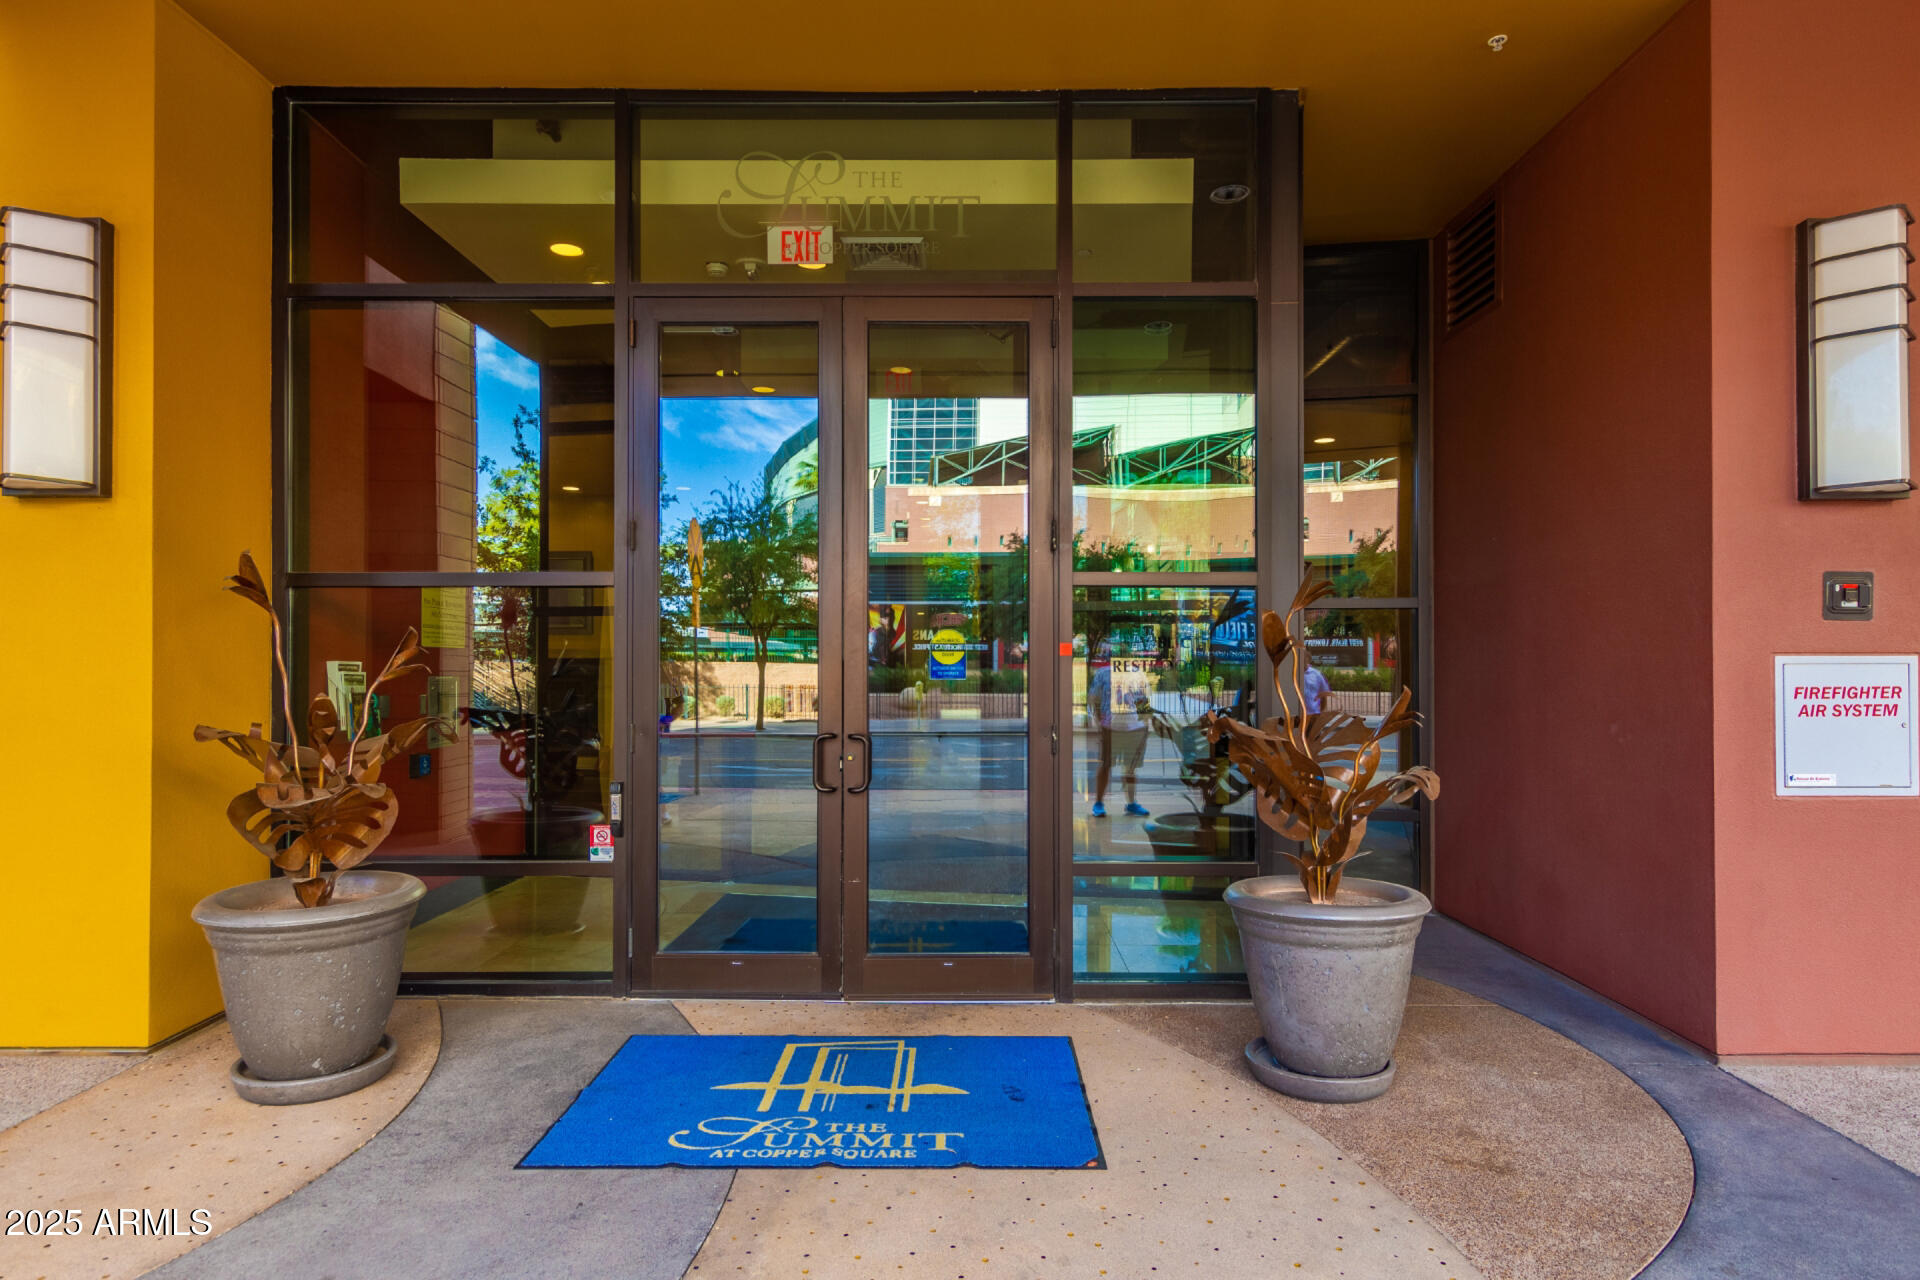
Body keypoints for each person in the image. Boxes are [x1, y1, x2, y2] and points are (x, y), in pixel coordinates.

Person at [1088, 640, 1150, 818]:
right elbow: (1094, 698)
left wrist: (1145, 724)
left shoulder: (1137, 674)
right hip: (1112, 728)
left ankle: (1131, 803)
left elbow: (1143, 701)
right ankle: (1099, 802)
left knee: (1129, 767)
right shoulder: (1104, 674)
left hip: (1133, 728)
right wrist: (1100, 720)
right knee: (1106, 765)